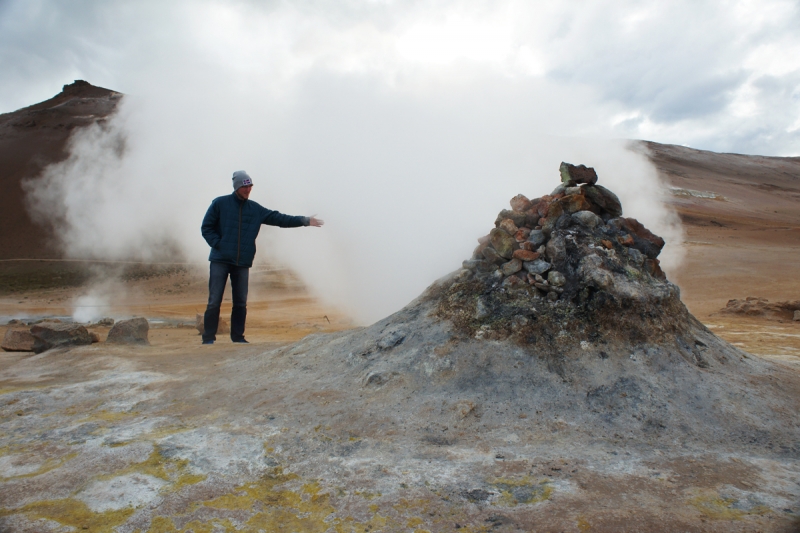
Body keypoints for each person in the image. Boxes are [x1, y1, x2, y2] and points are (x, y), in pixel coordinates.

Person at [200, 170, 323, 344]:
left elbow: (279, 219)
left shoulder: (255, 209)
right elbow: (206, 228)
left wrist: (304, 221)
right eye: (245, 186)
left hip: (242, 262)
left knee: (241, 302)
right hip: (220, 260)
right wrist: (219, 244)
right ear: (237, 187)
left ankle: (238, 338)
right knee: (214, 300)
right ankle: (208, 338)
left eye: (250, 186)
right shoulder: (220, 203)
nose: (248, 189)